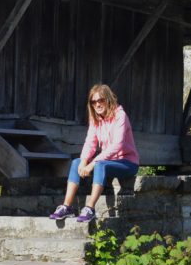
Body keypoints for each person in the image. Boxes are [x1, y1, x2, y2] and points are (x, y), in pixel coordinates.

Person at [49, 83, 140, 223]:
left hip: (127, 163)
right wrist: (84, 160)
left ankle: (90, 208)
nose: (97, 104)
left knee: (100, 165)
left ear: (108, 99)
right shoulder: (96, 119)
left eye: (101, 100)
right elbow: (90, 142)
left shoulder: (120, 116)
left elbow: (117, 145)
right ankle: (67, 206)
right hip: (108, 161)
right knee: (76, 162)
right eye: (93, 102)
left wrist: (92, 164)